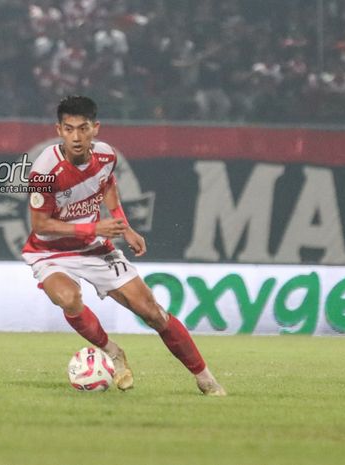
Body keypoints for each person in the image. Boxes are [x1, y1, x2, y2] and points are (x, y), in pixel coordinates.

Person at [22, 95, 226, 395]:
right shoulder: (44, 170)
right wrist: (95, 226)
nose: (76, 137)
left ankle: (205, 377)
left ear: (96, 128)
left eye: (83, 128)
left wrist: (124, 225)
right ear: (58, 130)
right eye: (68, 129)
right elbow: (40, 224)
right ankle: (113, 353)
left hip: (93, 247)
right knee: (68, 298)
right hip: (50, 251)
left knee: (152, 312)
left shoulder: (106, 156)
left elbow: (107, 185)